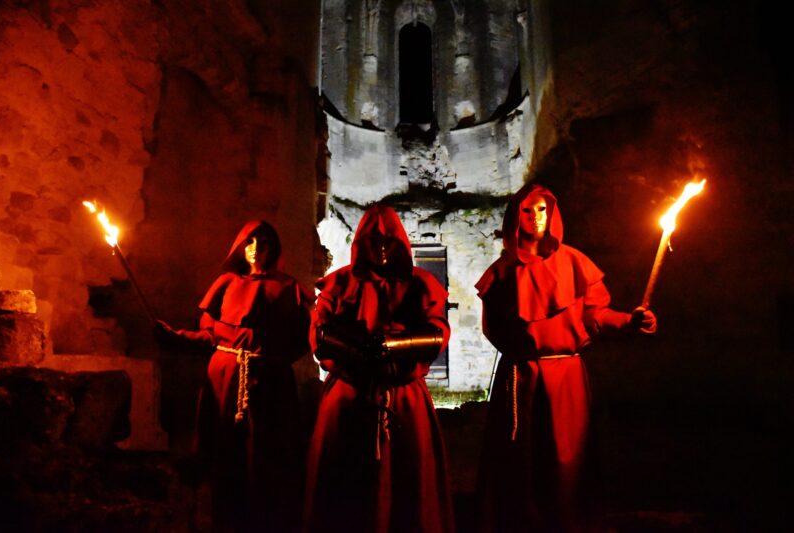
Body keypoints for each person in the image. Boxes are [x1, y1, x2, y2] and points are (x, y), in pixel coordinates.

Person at [475, 184, 657, 533]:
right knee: (521, 459)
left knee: (567, 459)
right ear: (515, 217)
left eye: (542, 209)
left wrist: (628, 321)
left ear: (552, 213)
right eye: (527, 210)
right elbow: (493, 328)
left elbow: (596, 315)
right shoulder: (502, 272)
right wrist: (523, 352)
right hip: (521, 378)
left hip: (566, 378)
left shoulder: (574, 262)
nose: (536, 217)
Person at [303, 204, 455, 533]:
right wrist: (359, 353)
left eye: (388, 240)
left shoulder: (420, 284)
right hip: (350, 396)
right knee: (345, 489)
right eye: (374, 240)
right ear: (362, 242)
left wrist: (394, 345)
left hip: (403, 397)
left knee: (408, 486)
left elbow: (437, 333)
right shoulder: (339, 283)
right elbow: (320, 333)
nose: (382, 247)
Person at [154, 220, 312, 533]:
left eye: (263, 242)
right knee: (225, 454)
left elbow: (300, 340)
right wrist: (174, 337)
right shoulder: (226, 284)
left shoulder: (289, 288)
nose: (255, 249)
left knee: (266, 457)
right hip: (224, 381)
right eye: (249, 242)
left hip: (269, 385)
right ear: (240, 246)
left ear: (273, 248)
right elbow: (210, 337)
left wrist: (269, 364)